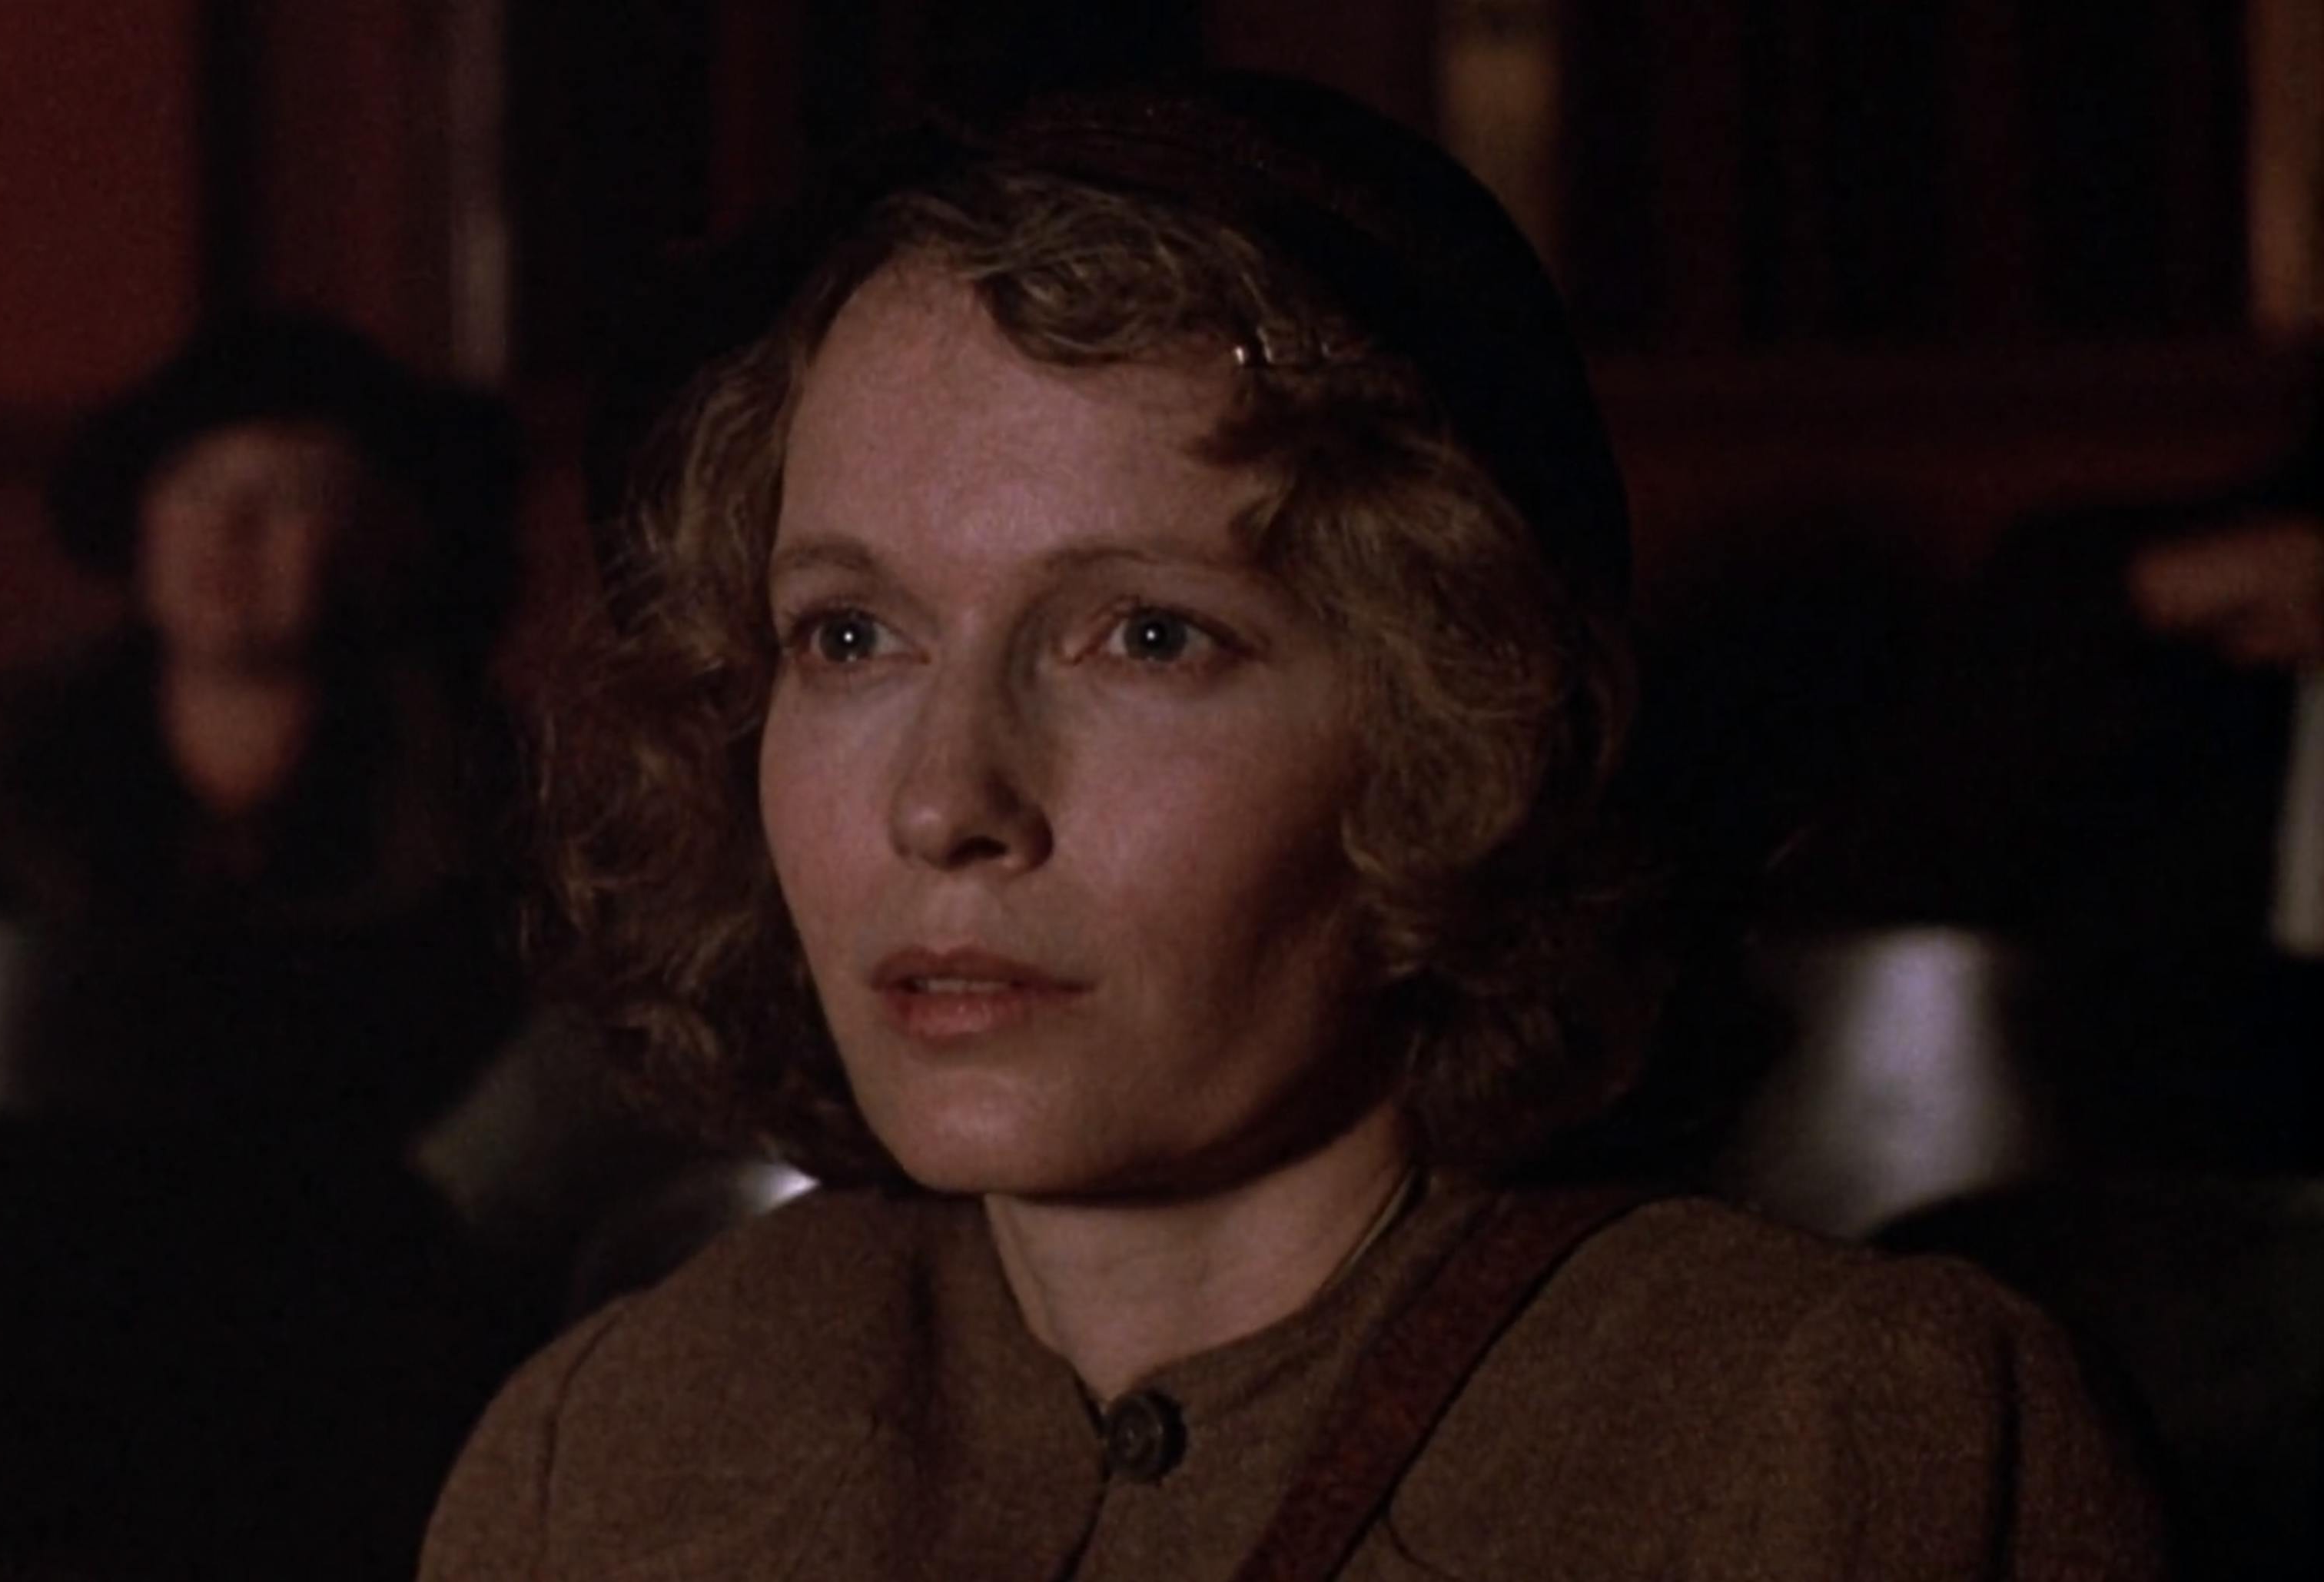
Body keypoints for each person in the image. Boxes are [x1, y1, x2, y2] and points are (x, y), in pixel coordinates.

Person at [422, 75, 2164, 1580]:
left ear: (1448, 727)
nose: (943, 800)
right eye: (851, 637)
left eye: (1145, 636)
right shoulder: (612, 1451)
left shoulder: (1842, 1441)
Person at [0, 313, 521, 1121]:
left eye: (290, 495)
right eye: (193, 484)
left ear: (378, 533)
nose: (227, 529)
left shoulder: (465, 783)